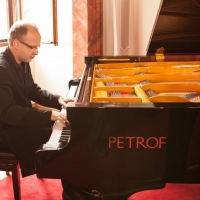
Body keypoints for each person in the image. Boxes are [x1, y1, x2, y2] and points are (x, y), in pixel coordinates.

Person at [0, 20, 103, 200]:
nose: (36, 52)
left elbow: (32, 90)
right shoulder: (2, 69)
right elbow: (8, 113)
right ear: (16, 44)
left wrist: (57, 100)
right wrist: (49, 115)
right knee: (65, 140)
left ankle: (77, 185)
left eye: (37, 47)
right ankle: (73, 192)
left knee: (68, 134)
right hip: (6, 131)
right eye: (32, 47)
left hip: (19, 121)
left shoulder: (21, 60)